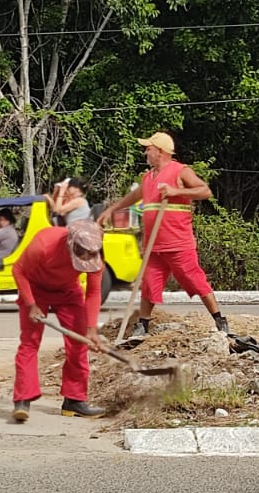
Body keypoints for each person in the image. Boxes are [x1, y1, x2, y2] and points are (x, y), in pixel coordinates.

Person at [98, 131, 228, 338]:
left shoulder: (180, 171)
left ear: (160, 151)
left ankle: (219, 319)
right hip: (153, 245)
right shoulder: (148, 177)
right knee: (149, 284)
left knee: (195, 279)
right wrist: (111, 210)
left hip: (178, 243)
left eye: (148, 149)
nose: (145, 153)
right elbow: (134, 195)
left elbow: (205, 191)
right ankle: (143, 324)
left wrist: (177, 192)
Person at [10, 219, 108, 421]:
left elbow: (94, 291)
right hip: (36, 289)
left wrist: (91, 330)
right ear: (70, 245)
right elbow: (18, 270)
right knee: (30, 343)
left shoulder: (97, 257)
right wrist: (30, 304)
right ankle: (22, 400)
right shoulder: (44, 244)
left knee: (79, 343)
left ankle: (74, 400)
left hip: (68, 291)